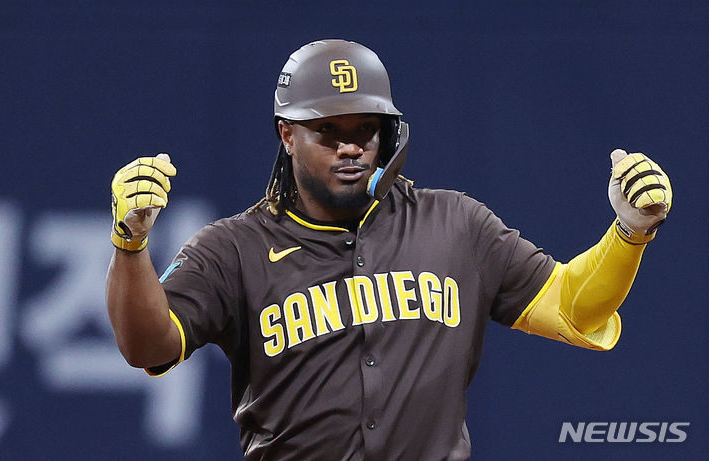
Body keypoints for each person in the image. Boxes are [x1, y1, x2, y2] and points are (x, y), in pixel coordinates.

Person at [106, 39, 672, 460]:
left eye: (366, 128)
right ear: (287, 134)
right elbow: (147, 346)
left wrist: (629, 234)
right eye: (328, 131)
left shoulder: (457, 225)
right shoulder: (234, 248)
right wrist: (131, 246)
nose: (351, 146)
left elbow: (575, 310)